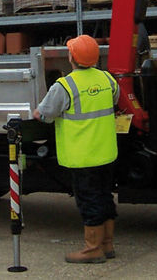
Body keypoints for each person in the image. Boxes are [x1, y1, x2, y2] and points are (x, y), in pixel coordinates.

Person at [33, 34, 119, 264]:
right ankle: (107, 244)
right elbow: (115, 98)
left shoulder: (66, 85)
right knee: (104, 197)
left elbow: (43, 114)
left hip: (83, 156)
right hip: (106, 152)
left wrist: (37, 114)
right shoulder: (107, 79)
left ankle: (93, 249)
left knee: (88, 200)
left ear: (72, 57)